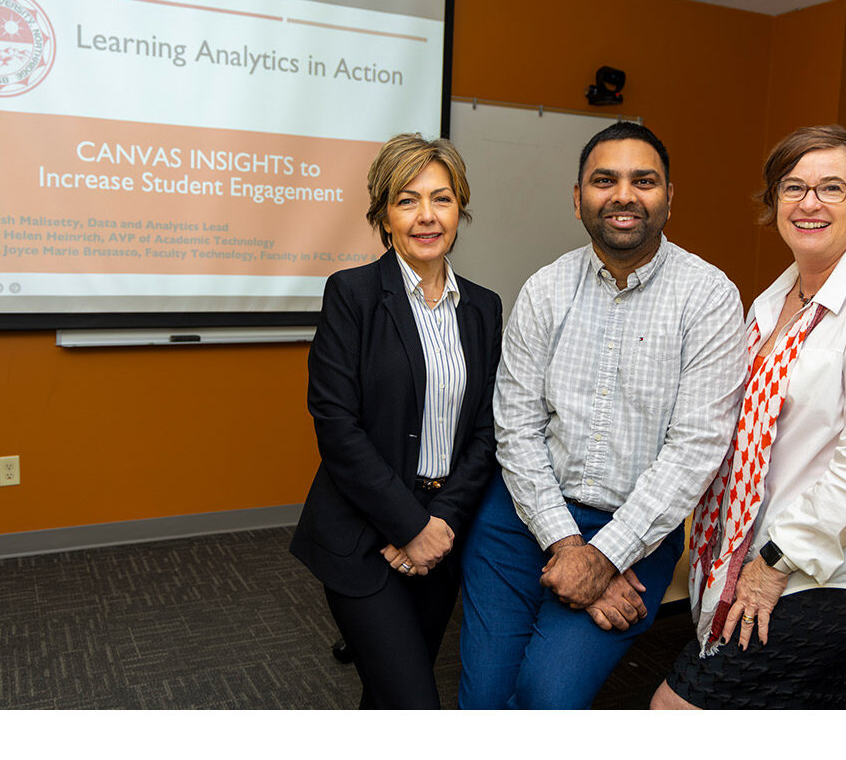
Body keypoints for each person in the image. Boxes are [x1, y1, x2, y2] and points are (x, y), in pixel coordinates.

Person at [457, 121, 747, 709]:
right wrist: (568, 546)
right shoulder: (545, 289)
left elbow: (694, 449)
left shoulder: (709, 295)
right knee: (483, 700)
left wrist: (607, 554)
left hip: (636, 535)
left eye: (644, 180)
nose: (623, 195)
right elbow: (515, 427)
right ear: (578, 198)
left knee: (547, 699)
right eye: (603, 180)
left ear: (669, 196)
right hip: (518, 519)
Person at [652, 125, 846, 710]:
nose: (810, 203)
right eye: (793, 187)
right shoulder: (768, 303)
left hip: (821, 574)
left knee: (675, 711)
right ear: (773, 202)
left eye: (833, 187)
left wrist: (776, 562)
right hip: (753, 550)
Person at [290, 133, 502, 710]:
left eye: (442, 198)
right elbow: (337, 428)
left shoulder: (483, 307)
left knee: (387, 698)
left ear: (461, 207)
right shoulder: (352, 295)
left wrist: (440, 524)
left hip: (443, 533)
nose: (426, 216)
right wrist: (410, 526)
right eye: (407, 200)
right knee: (415, 705)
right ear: (383, 215)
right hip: (365, 537)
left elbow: (486, 431)